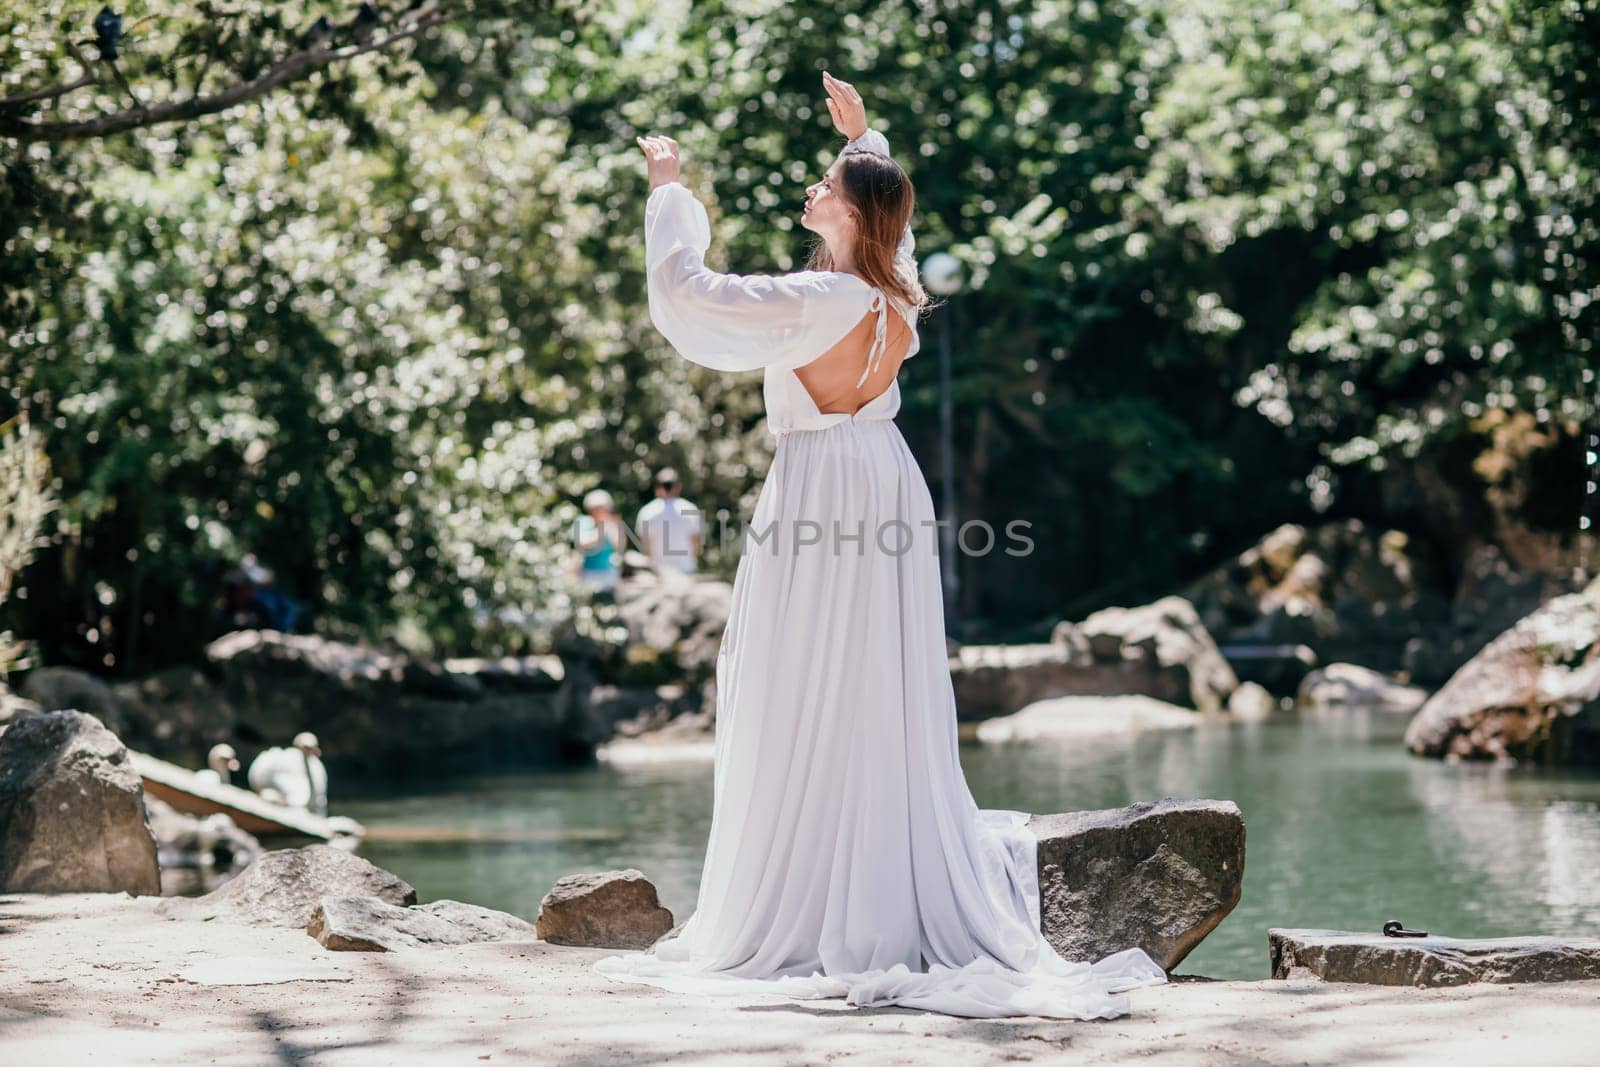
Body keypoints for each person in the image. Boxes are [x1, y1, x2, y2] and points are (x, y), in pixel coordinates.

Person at [594, 73, 1166, 1019]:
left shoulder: (820, 295)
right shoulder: (897, 292)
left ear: (854, 216)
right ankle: (867, 873)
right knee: (873, 679)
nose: (811, 191)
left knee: (798, 674)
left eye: (828, 184)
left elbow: (690, 297)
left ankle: (808, 889)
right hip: (883, 474)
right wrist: (867, 139)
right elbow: (902, 230)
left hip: (818, 479)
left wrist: (668, 191)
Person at [635, 467, 703, 575]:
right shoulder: (690, 509)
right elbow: (695, 543)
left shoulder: (647, 512)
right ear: (678, 487)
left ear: (657, 488)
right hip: (685, 569)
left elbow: (647, 546)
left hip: (659, 572)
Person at [574, 488, 624, 594]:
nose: (600, 512)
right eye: (597, 509)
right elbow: (582, 543)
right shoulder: (583, 522)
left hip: (609, 573)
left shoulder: (610, 524)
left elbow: (620, 546)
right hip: (588, 573)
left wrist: (616, 527)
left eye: (603, 509)